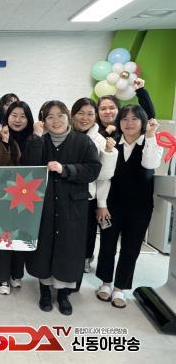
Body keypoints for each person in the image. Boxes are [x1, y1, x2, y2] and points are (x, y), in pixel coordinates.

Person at [25, 101, 101, 315]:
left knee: (69, 248)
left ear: (68, 117)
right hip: (45, 204)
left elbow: (93, 169)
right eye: (50, 116)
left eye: (60, 115)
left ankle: (64, 294)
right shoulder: (40, 140)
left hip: (72, 206)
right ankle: (45, 290)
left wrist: (65, 169)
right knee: (45, 247)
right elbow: (28, 166)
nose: (56, 121)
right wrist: (36, 138)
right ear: (43, 121)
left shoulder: (83, 141)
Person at [95, 105, 162, 308]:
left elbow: (149, 164)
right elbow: (104, 177)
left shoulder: (151, 143)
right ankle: (106, 283)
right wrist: (101, 204)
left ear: (143, 122)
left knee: (131, 248)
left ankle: (120, 288)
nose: (129, 123)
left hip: (140, 208)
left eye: (134, 119)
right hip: (111, 205)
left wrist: (150, 136)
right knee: (107, 244)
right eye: (124, 119)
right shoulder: (113, 143)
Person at [0, 101, 36, 292]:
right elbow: (0, 166)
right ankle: (2, 278)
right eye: (14, 115)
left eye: (23, 116)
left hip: (28, 195)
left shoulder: (35, 139)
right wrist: (5, 143)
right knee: (3, 235)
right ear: (7, 117)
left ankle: (17, 273)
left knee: (21, 233)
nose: (18, 120)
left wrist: (37, 138)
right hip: (4, 195)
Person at [71, 98, 118, 276]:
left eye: (90, 114)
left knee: (87, 232)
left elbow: (103, 177)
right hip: (65, 194)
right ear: (72, 114)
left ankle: (85, 259)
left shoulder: (100, 140)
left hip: (87, 196)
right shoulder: (64, 135)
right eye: (80, 113)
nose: (85, 118)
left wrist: (102, 204)